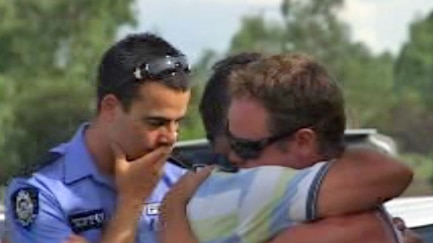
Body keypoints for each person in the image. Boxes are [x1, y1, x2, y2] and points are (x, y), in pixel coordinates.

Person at [157, 53, 417, 243]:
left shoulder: (263, 192)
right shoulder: (360, 214)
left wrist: (173, 206)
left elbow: (389, 172)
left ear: (303, 141)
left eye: (247, 147)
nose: (235, 158)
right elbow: (391, 172)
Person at [4, 33, 192, 243]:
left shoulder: (183, 182)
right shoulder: (41, 192)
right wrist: (132, 202)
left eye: (178, 123)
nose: (171, 138)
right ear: (110, 108)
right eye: (156, 123)